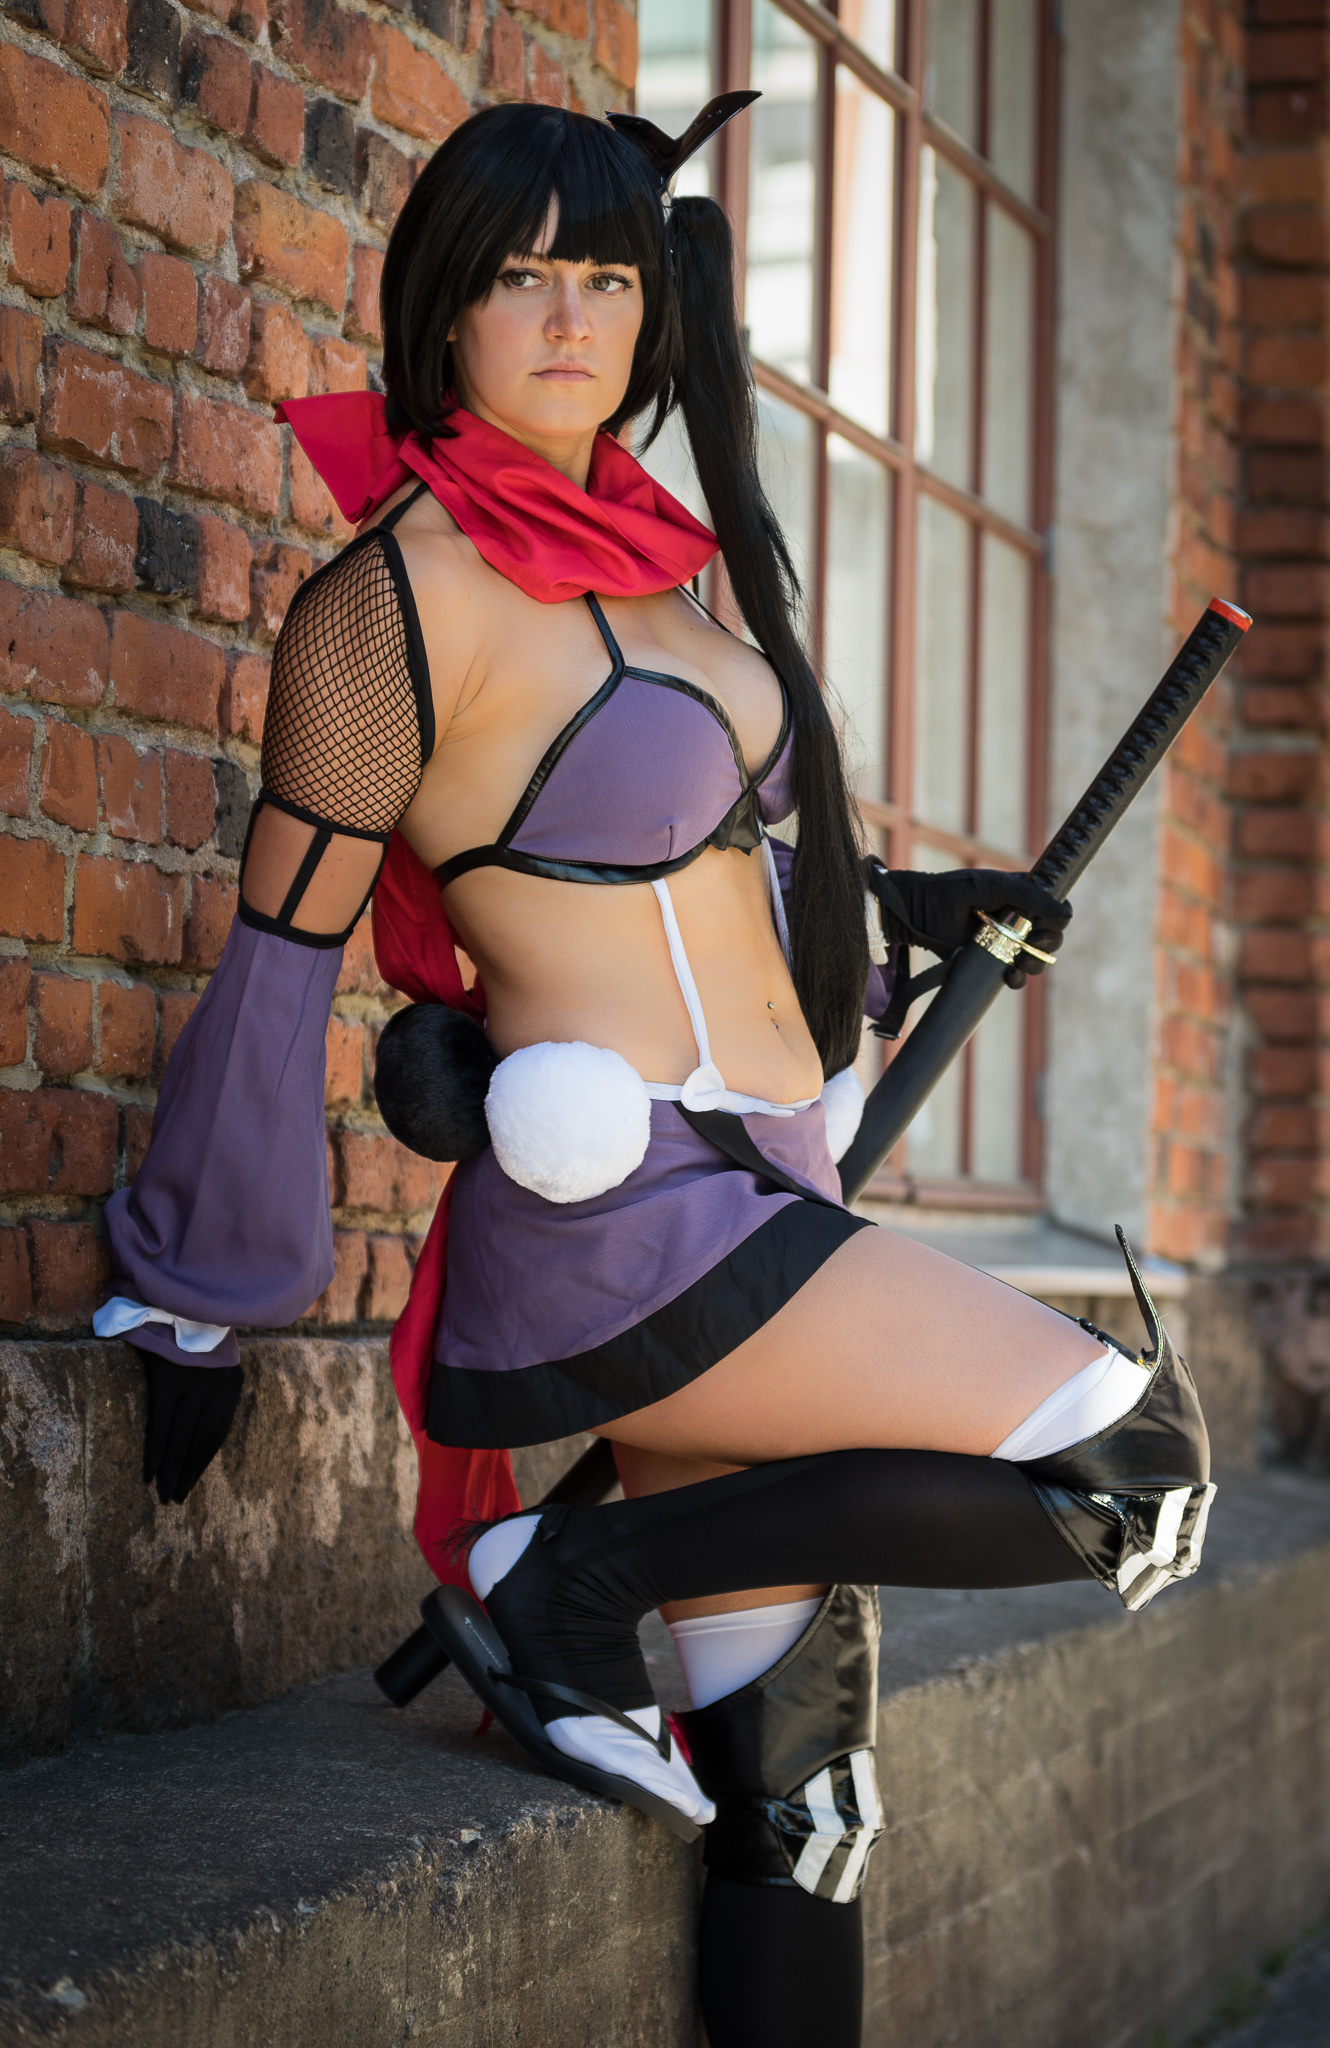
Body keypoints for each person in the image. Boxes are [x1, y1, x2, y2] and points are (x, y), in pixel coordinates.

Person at [94, 97, 1215, 2048]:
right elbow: (281, 946)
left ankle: (589, 1583)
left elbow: (713, 880)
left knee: (802, 1819)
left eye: (606, 278)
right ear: (445, 305)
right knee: (1134, 1472)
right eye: (523, 276)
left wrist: (920, 912)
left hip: (773, 1190)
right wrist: (198, 1293)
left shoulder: (669, 571)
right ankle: (569, 1581)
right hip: (625, 1219)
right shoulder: (392, 602)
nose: (568, 319)